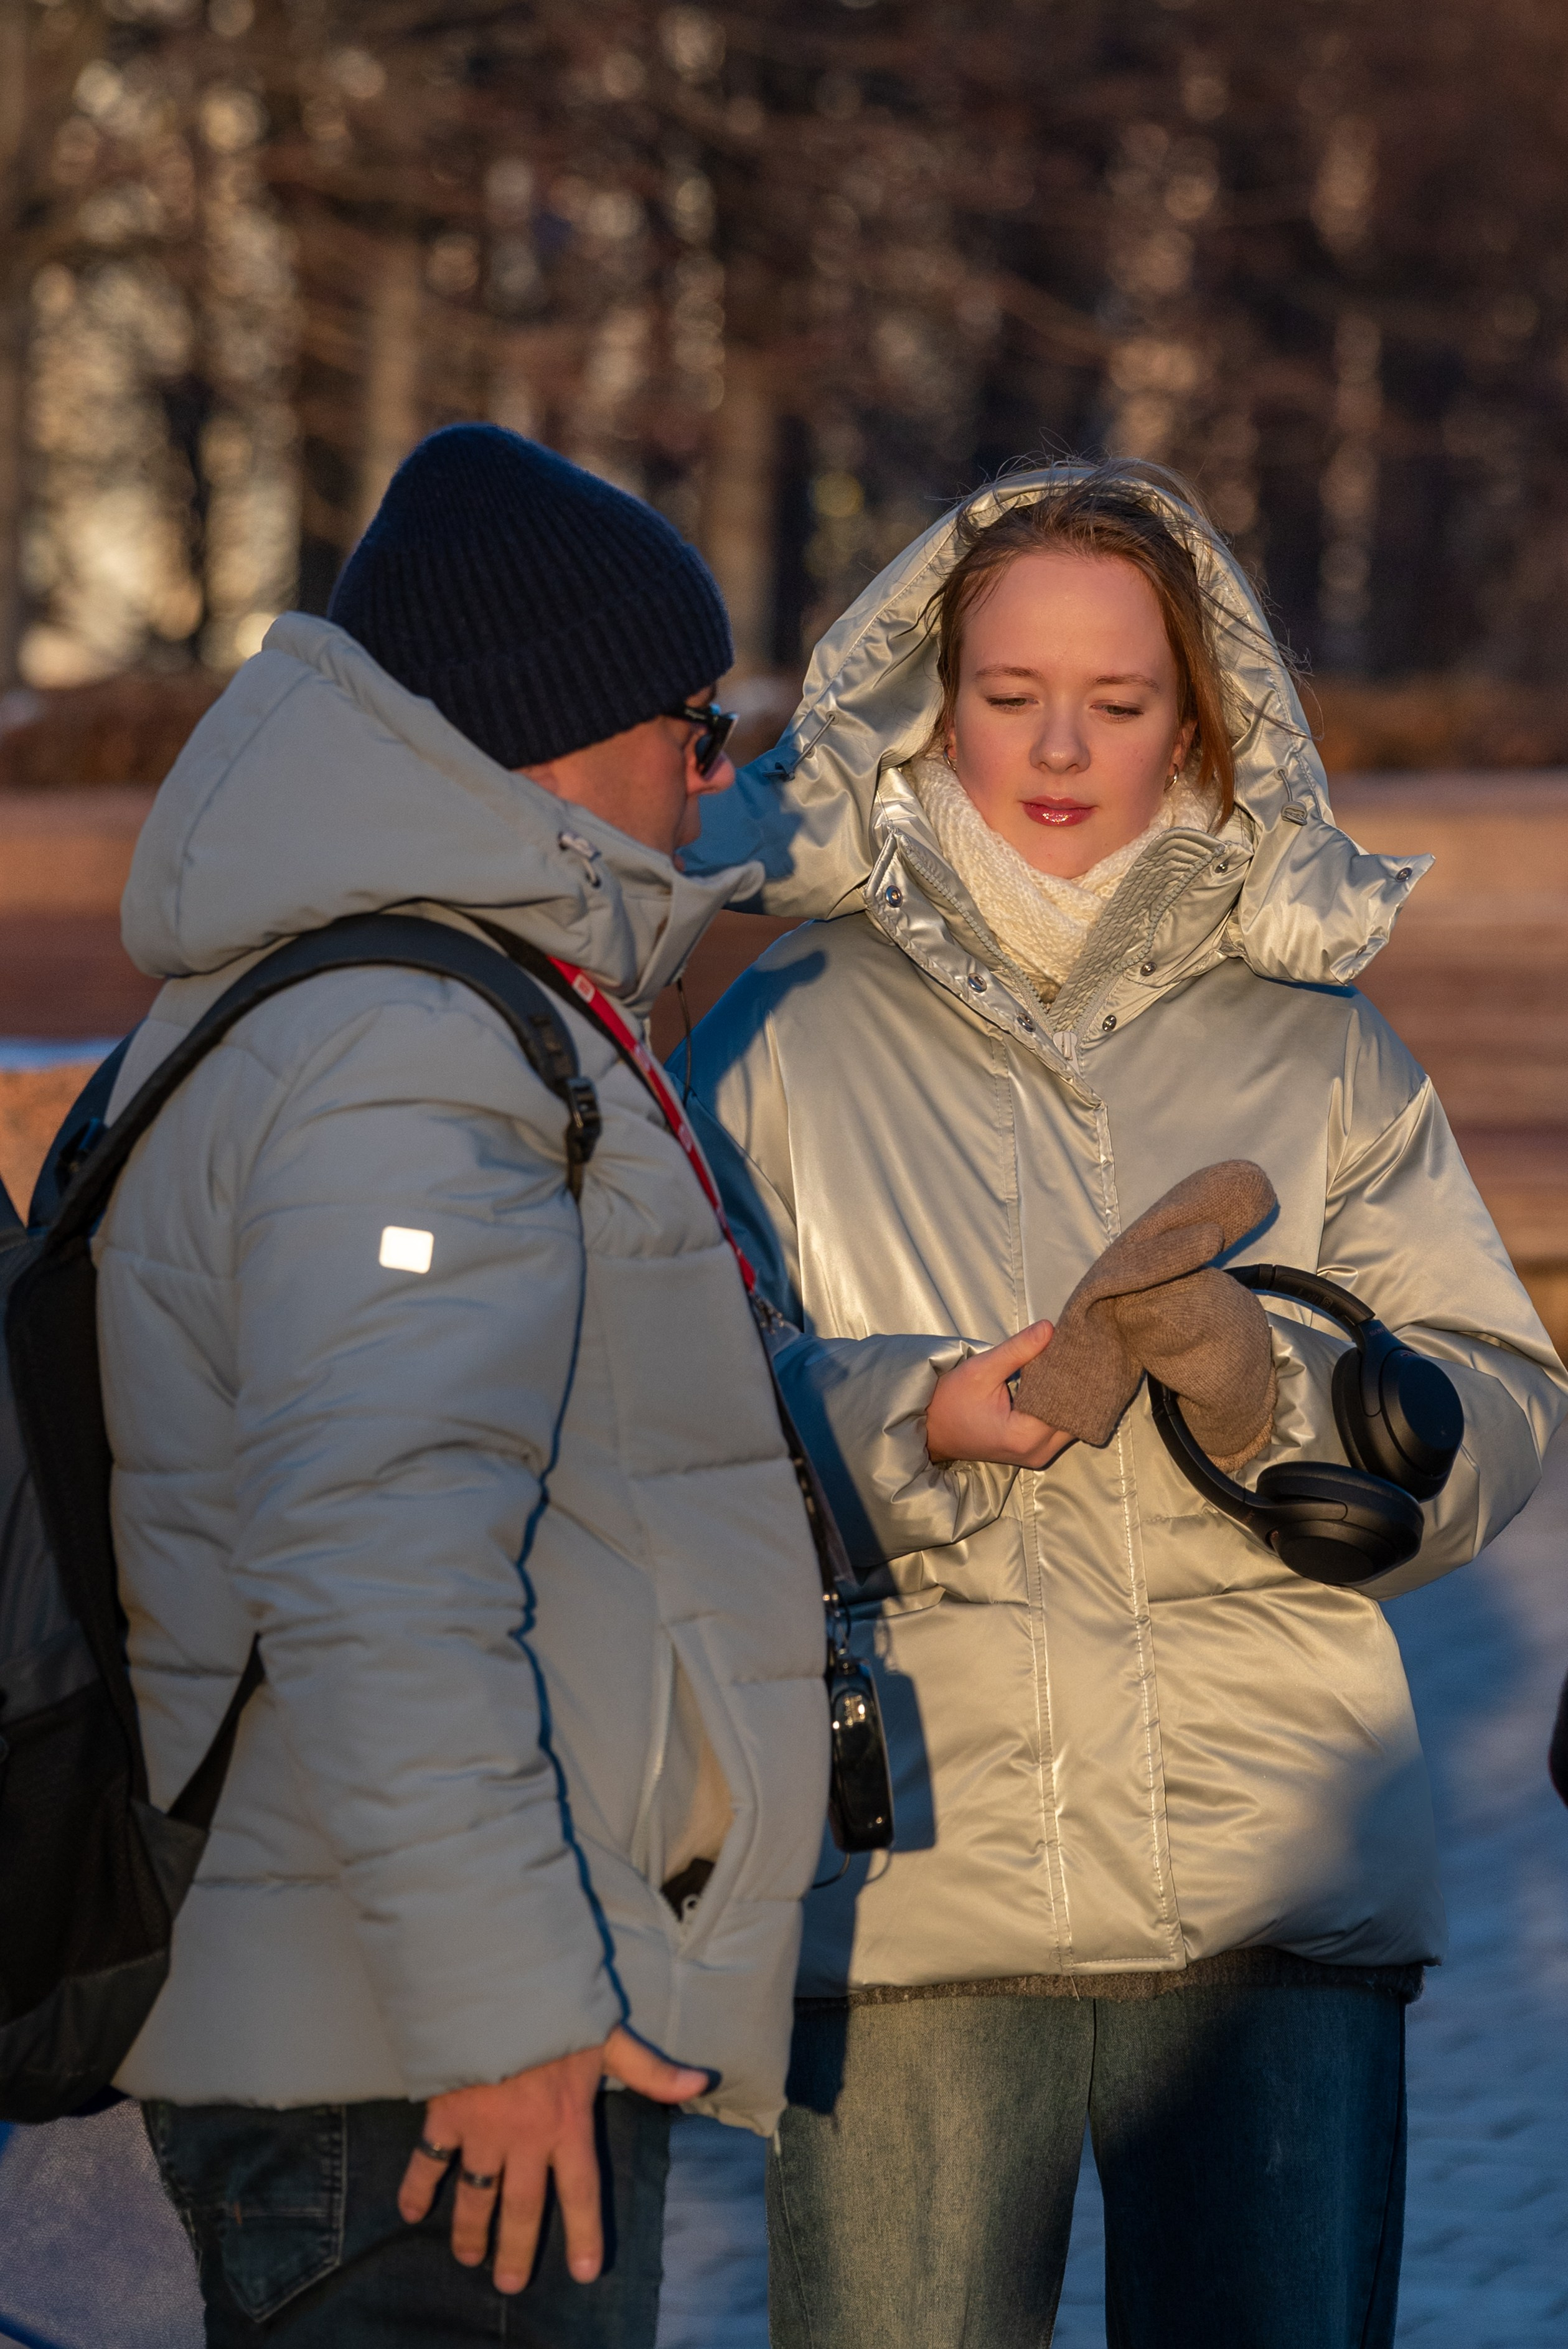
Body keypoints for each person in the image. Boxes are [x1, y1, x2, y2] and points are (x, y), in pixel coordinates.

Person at [681, 461, 1568, 2348]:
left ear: (1205, 716)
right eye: (1009, 698)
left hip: (1275, 1891)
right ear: (932, 704)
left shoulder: (1316, 1045)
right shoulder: (779, 1038)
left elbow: (1506, 1405)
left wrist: (1290, 1397)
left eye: (1121, 698)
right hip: (914, 1882)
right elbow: (666, 1426)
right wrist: (910, 1424)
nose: (1061, 746)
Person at [96, 424, 833, 2347]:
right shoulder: (408, 1053)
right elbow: (376, 1562)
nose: (718, 770)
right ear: (564, 732)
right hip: (420, 2076)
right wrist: (508, 2027)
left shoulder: (344, 1006)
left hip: (393, 2023)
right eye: (701, 719)